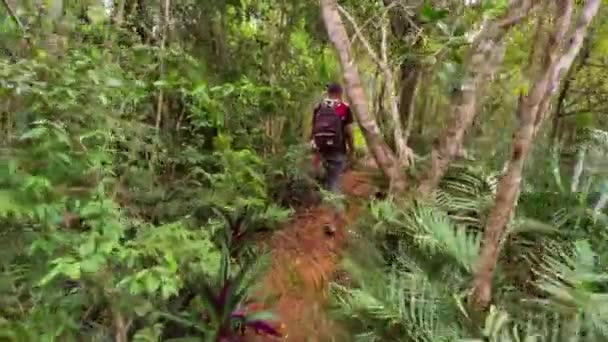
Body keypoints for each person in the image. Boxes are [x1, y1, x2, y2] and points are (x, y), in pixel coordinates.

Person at [310, 83, 355, 234]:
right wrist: (352, 149)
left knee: (327, 182)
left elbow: (313, 130)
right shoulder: (343, 107)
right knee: (334, 184)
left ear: (328, 92)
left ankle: (334, 210)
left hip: (321, 150)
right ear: (340, 93)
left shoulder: (319, 107)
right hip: (337, 151)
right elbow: (349, 132)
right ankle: (331, 222)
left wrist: (314, 152)